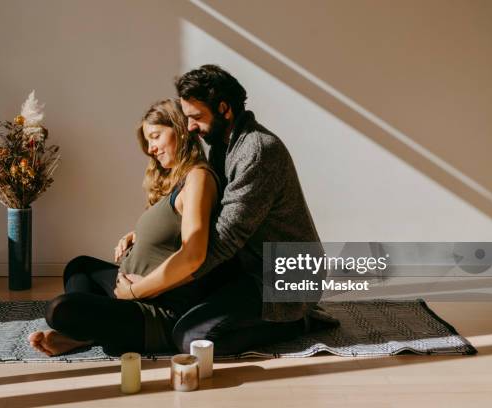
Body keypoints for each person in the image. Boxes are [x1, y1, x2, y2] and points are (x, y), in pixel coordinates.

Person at [114, 65, 336, 356]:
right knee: (177, 312)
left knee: (192, 340)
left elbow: (223, 241)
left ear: (224, 109)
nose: (189, 127)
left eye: (196, 117)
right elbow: (206, 218)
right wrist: (142, 236)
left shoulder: (257, 151)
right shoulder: (221, 146)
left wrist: (145, 289)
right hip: (245, 267)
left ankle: (299, 321)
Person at [28, 98, 224, 356]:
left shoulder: (198, 177)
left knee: (59, 309)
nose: (151, 148)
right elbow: (173, 228)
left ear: (179, 129)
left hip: (154, 309)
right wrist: (137, 236)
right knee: (80, 267)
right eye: (148, 141)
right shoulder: (176, 182)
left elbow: (193, 254)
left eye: (155, 137)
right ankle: (86, 335)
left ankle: (87, 333)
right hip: (129, 290)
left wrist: (133, 291)